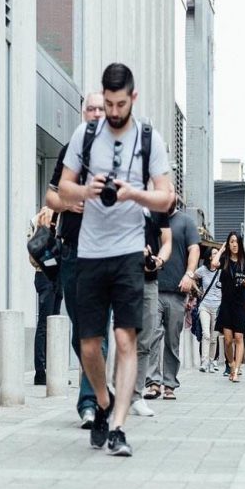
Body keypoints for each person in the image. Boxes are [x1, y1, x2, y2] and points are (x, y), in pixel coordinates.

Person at [58, 63, 173, 456]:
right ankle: (105, 404)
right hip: (90, 252)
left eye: (120, 103)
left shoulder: (148, 138)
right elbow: (62, 187)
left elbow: (166, 197)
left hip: (127, 252)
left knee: (125, 339)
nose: (113, 111)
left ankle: (119, 427)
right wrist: (86, 191)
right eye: (107, 104)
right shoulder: (86, 134)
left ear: (133, 98)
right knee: (89, 344)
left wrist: (133, 195)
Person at [45, 92, 105, 426]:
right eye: (91, 108)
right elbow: (50, 196)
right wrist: (68, 204)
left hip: (106, 253)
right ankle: (97, 390)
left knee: (98, 330)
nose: (96, 113)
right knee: (80, 331)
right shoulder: (72, 151)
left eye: (101, 108)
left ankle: (90, 402)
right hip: (71, 251)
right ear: (83, 113)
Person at [145, 193, 200, 399]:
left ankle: (169, 384)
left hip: (177, 290)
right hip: (153, 286)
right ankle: (153, 383)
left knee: (172, 340)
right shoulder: (151, 218)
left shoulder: (186, 222)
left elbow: (194, 250)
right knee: (152, 335)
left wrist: (189, 274)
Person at [129, 208, 171, 417]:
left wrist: (157, 261)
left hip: (149, 281)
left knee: (145, 339)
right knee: (122, 337)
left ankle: (136, 397)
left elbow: (167, 241)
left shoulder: (156, 206)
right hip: (122, 276)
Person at [28, 206, 63, 386]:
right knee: (44, 324)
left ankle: (53, 370)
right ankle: (40, 372)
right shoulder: (39, 219)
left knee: (55, 325)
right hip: (44, 275)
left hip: (58, 278)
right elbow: (34, 254)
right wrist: (52, 263)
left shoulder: (65, 217)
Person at [215, 231, 245, 382]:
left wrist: (244, 283)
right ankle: (231, 364)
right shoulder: (224, 260)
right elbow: (213, 263)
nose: (234, 244)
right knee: (228, 340)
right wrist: (221, 249)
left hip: (240, 303)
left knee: (239, 337)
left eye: (236, 241)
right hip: (226, 303)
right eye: (231, 241)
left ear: (240, 244)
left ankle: (236, 371)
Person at [194, 247, 222, 373]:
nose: (217, 255)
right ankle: (204, 362)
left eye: (218, 253)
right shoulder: (203, 270)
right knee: (206, 334)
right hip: (204, 306)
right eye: (215, 254)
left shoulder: (222, 271)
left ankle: (211, 361)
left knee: (213, 337)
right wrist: (198, 290)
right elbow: (191, 276)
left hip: (217, 307)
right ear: (210, 257)